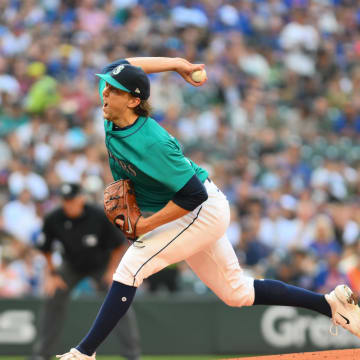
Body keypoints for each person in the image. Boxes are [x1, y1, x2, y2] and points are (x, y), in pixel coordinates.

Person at [56, 57, 360, 360]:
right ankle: (330, 304)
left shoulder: (152, 143)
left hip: (201, 210)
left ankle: (84, 353)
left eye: (114, 90)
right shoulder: (113, 111)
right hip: (187, 209)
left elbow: (193, 195)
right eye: (107, 87)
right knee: (236, 292)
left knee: (131, 266)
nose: (105, 92)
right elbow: (123, 64)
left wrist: (146, 226)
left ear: (135, 100)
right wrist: (176, 64)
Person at [31, 183, 140, 360]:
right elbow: (45, 247)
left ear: (81, 198)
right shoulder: (54, 218)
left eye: (72, 200)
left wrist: (112, 270)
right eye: (65, 201)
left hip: (102, 264)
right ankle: (41, 354)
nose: (69, 204)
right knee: (53, 297)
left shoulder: (98, 214)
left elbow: (119, 244)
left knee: (120, 301)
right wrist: (51, 274)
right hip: (71, 265)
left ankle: (132, 355)